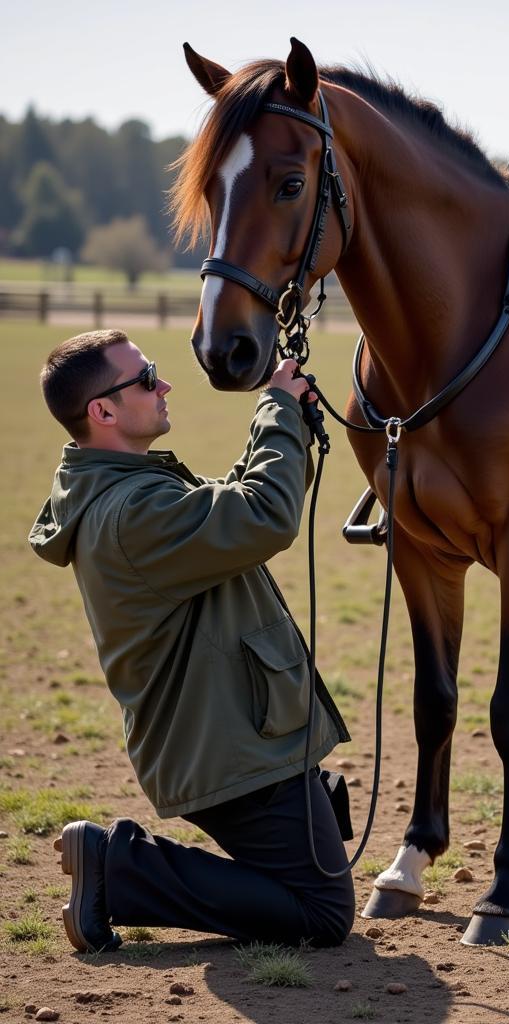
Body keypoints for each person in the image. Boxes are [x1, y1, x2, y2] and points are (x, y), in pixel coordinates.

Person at [29, 329, 355, 953]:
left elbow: (231, 508)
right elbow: (262, 516)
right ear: (103, 411)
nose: (164, 384)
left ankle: (131, 866)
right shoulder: (132, 511)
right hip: (227, 748)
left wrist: (282, 423)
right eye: (147, 376)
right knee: (322, 913)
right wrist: (277, 411)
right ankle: (118, 868)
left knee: (313, 886)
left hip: (225, 731)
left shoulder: (125, 491)